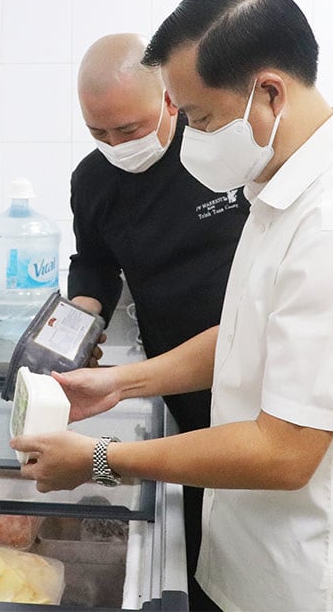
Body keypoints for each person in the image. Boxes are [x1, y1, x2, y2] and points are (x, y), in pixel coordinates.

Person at [12, 0, 333, 612]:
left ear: (268, 92)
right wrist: (120, 383)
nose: (193, 138)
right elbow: (242, 335)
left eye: (201, 118)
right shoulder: (278, 198)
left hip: (309, 577)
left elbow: (283, 454)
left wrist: (98, 461)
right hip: (247, 548)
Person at [68, 33, 249, 611]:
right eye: (99, 133)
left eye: (129, 129)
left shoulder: (221, 155)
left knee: (251, 531)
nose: (116, 144)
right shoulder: (92, 182)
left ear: (170, 101)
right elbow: (95, 263)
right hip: (174, 376)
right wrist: (80, 320)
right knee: (197, 536)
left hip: (251, 371)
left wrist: (98, 458)